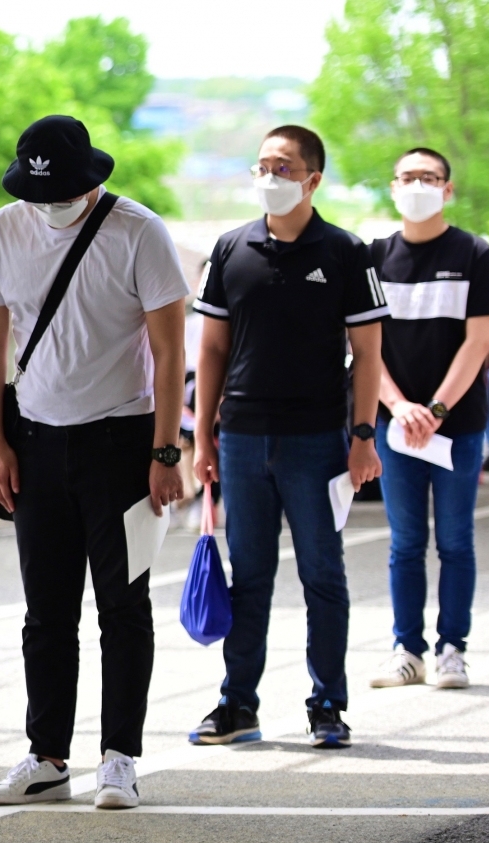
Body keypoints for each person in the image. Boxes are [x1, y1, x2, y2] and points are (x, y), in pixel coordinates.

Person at [0, 116, 189, 810]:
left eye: (63, 191)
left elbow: (169, 351)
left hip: (121, 443)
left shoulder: (139, 232)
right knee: (46, 612)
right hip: (34, 441)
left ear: (91, 179)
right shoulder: (3, 229)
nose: (51, 204)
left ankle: (119, 756)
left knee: (123, 607)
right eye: (40, 193)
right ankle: (47, 755)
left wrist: (164, 450)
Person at [190, 125, 388, 749]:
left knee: (322, 575)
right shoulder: (230, 249)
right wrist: (202, 436)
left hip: (317, 440)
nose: (269, 176)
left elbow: (368, 354)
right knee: (249, 575)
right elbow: (213, 347)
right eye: (261, 165)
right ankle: (237, 704)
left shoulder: (347, 252)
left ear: (312, 179)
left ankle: (327, 704)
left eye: (283, 166)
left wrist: (362, 436)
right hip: (243, 438)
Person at [366, 147, 489, 690]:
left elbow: (478, 341)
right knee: (404, 542)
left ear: (448, 189)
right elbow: (365, 344)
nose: (418, 184)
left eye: (430, 177)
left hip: (457, 426)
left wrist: (437, 409)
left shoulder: (476, 254)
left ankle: (452, 648)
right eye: (408, 177)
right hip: (393, 426)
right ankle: (407, 648)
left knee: (456, 540)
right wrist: (398, 407)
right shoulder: (371, 256)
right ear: (392, 188)